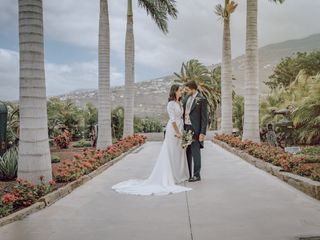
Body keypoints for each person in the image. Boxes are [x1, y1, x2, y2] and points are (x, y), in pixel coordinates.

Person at [112, 84, 191, 196]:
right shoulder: (170, 104)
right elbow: (173, 120)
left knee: (179, 152)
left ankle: (180, 175)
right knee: (172, 152)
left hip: (181, 127)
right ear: (174, 92)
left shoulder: (180, 103)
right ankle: (171, 176)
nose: (181, 92)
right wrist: (177, 132)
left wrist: (182, 131)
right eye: (179, 91)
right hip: (173, 130)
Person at [183, 81, 208, 182]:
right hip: (186, 128)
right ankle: (189, 174)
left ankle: (197, 175)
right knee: (187, 151)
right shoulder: (186, 98)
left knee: (195, 152)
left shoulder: (202, 99)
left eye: (188, 89)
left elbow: (204, 118)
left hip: (195, 129)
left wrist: (202, 132)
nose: (186, 91)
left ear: (193, 89)